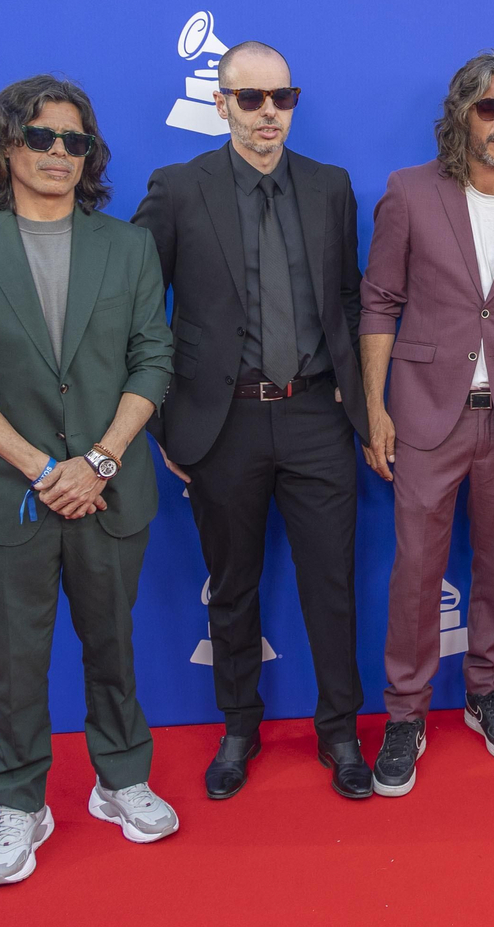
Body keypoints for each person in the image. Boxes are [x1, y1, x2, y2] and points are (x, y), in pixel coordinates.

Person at [0, 76, 178, 887]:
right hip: (9, 498)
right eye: (41, 137)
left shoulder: (128, 246)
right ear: (6, 146)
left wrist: (98, 460)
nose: (60, 153)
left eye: (76, 141)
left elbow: (154, 359)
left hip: (110, 487)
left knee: (113, 646)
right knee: (17, 660)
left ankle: (121, 781)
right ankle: (21, 803)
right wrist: (42, 467)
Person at [132, 42, 373, 800]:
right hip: (221, 424)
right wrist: (163, 423)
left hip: (316, 417)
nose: (269, 112)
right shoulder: (177, 189)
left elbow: (351, 301)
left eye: (283, 97)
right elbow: (138, 313)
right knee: (231, 585)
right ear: (221, 103)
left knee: (331, 584)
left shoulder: (332, 188)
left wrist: (357, 398)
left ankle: (340, 731)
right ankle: (239, 725)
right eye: (251, 98)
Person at [360, 50, 494, 796]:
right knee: (416, 573)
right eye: (491, 108)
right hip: (425, 416)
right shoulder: (410, 194)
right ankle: (405, 714)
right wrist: (375, 405)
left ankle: (485, 693)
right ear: (463, 115)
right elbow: (380, 301)